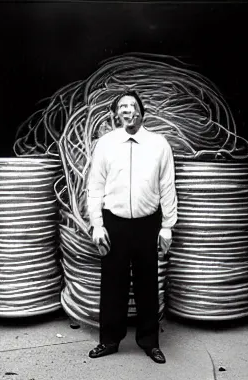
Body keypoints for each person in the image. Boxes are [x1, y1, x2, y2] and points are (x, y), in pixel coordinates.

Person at [86, 89, 178, 364]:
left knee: (147, 284)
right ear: (116, 114)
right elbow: (95, 186)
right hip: (114, 223)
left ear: (142, 112)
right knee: (112, 283)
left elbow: (167, 186)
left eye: (133, 105)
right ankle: (109, 341)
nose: (129, 110)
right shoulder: (105, 144)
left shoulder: (159, 144)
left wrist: (167, 226)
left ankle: (150, 342)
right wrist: (97, 225)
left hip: (147, 223)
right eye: (123, 106)